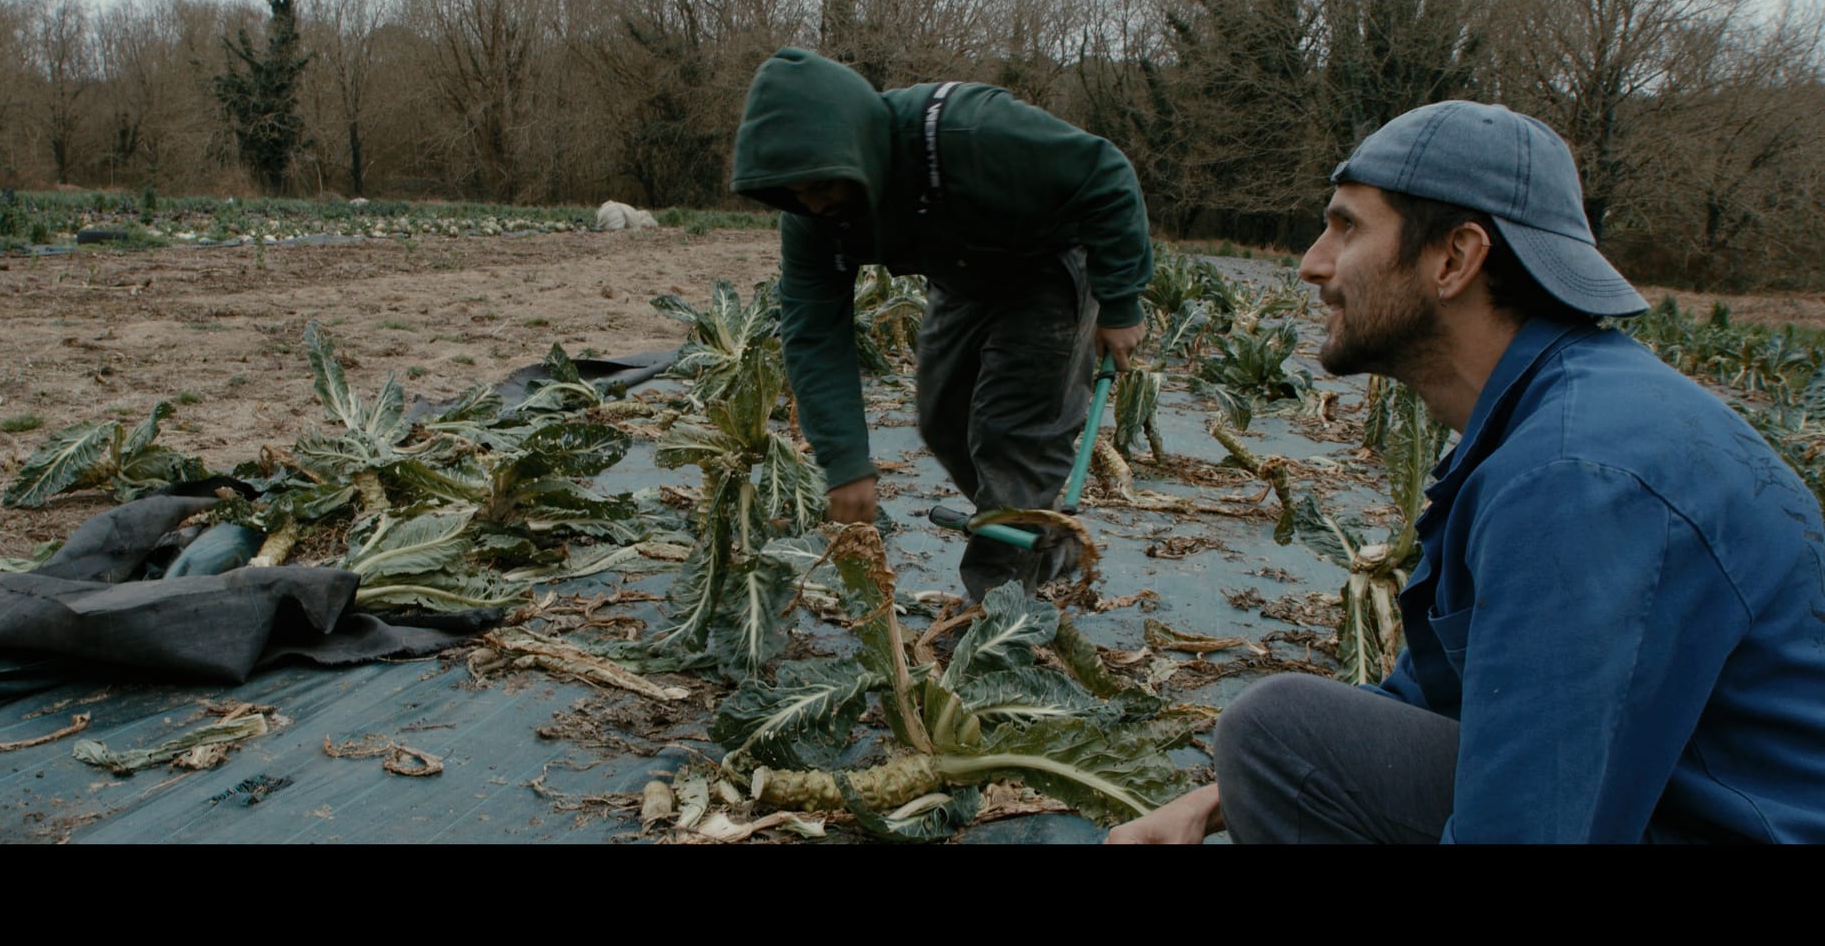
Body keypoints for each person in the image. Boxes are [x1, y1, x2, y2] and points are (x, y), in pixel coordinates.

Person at [1108, 100, 1825, 844]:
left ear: (1454, 258)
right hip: (1665, 800)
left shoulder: (1578, 480)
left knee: (1277, 728)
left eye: (1347, 226)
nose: (1313, 263)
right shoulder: (1545, 423)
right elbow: (1439, 700)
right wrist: (1207, 804)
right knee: (1280, 744)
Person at [730, 48, 1153, 598]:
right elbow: (814, 333)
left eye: (822, 186)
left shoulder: (972, 131)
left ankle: (999, 611)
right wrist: (846, 461)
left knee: (1010, 435)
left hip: (1047, 267)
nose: (813, 204)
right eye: (796, 194)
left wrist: (1120, 302)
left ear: (856, 147)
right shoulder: (813, 220)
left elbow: (1105, 174)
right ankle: (1038, 535)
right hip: (961, 281)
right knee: (941, 418)